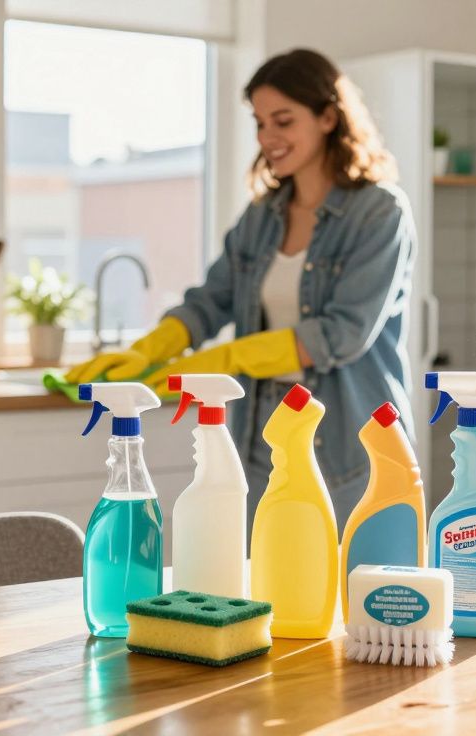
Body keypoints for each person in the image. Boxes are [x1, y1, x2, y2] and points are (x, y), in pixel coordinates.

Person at [66, 48, 416, 529]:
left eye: (283, 121)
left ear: (328, 118)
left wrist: (226, 359)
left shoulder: (379, 213)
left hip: (349, 446)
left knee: (346, 590)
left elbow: (341, 335)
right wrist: (150, 349)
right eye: (260, 123)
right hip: (262, 438)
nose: (268, 137)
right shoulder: (261, 218)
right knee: (263, 588)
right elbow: (211, 301)